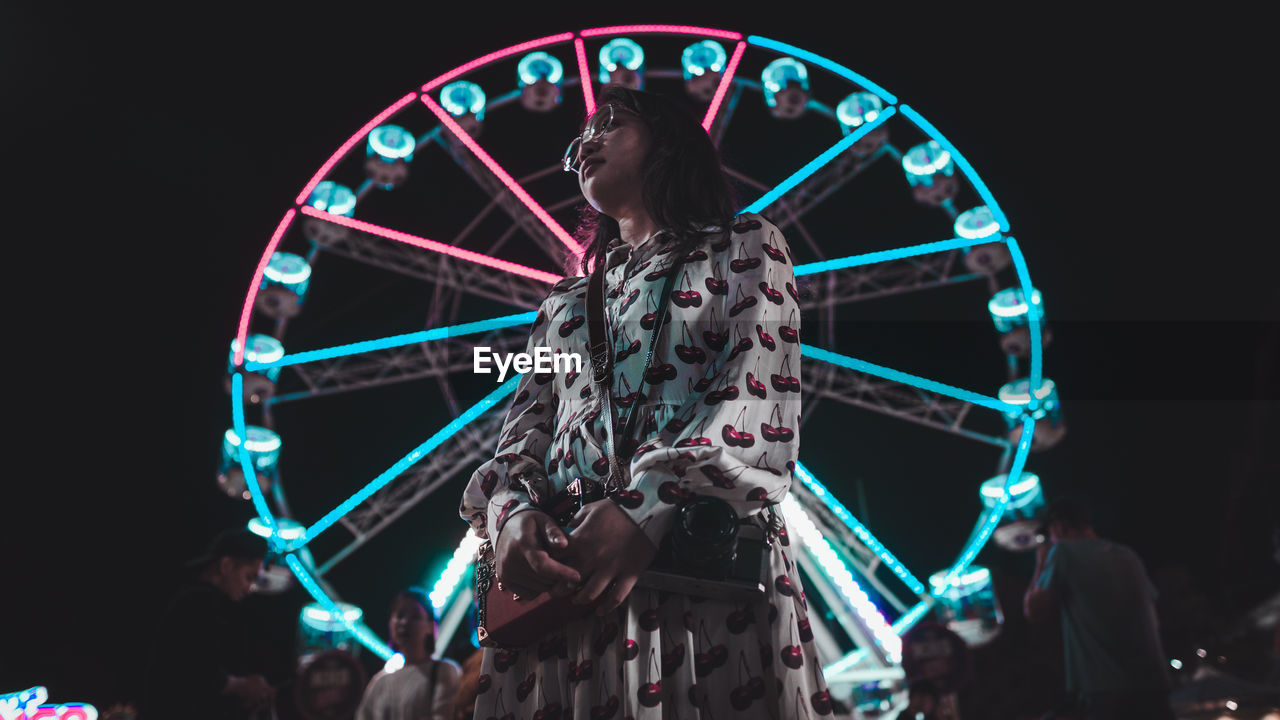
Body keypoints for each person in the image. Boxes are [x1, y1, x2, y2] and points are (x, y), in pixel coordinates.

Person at [459, 85, 827, 718]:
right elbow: (525, 436)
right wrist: (511, 517)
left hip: (697, 574)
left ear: (668, 142)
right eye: (578, 142)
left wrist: (644, 508)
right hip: (569, 588)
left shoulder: (742, 245)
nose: (583, 148)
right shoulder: (564, 306)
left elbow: (754, 391)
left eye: (612, 124)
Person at [1023, 496, 1175, 719]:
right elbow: (1155, 621)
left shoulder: (1063, 552)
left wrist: (1040, 563)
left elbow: (1032, 611)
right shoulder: (1127, 555)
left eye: (1051, 535)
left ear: (1060, 526)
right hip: (1153, 685)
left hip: (1105, 690)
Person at [142, 527, 276, 719]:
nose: (249, 589)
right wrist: (242, 686)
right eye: (249, 577)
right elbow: (195, 670)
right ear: (226, 565)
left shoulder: (184, 595)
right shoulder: (201, 602)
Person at [356, 588, 462, 720]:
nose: (404, 622)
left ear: (430, 626)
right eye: (399, 616)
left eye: (416, 617)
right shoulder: (379, 683)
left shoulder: (445, 672)